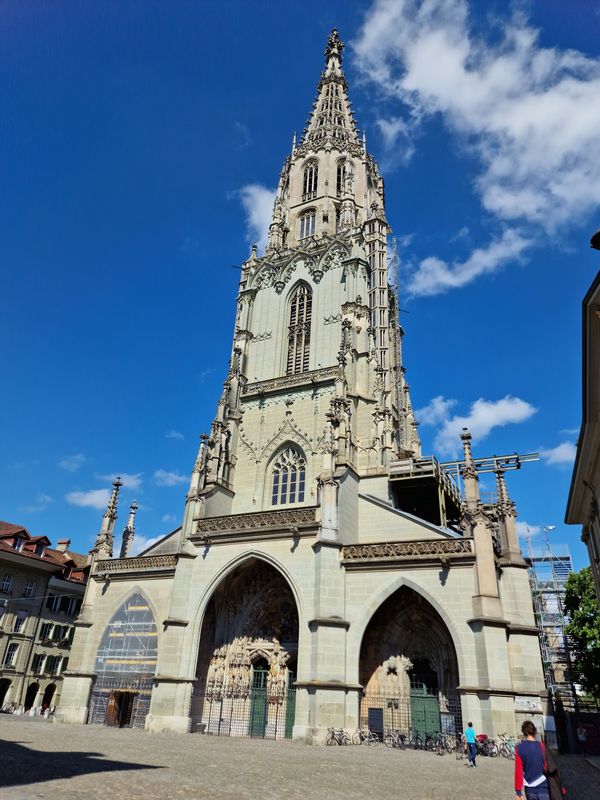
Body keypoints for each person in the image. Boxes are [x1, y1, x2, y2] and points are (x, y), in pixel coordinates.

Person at [515, 720, 548, 800]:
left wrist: (518, 792)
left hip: (529, 790)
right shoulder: (542, 746)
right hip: (543, 787)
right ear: (534, 731)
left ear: (524, 732)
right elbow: (547, 767)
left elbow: (518, 771)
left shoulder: (519, 748)